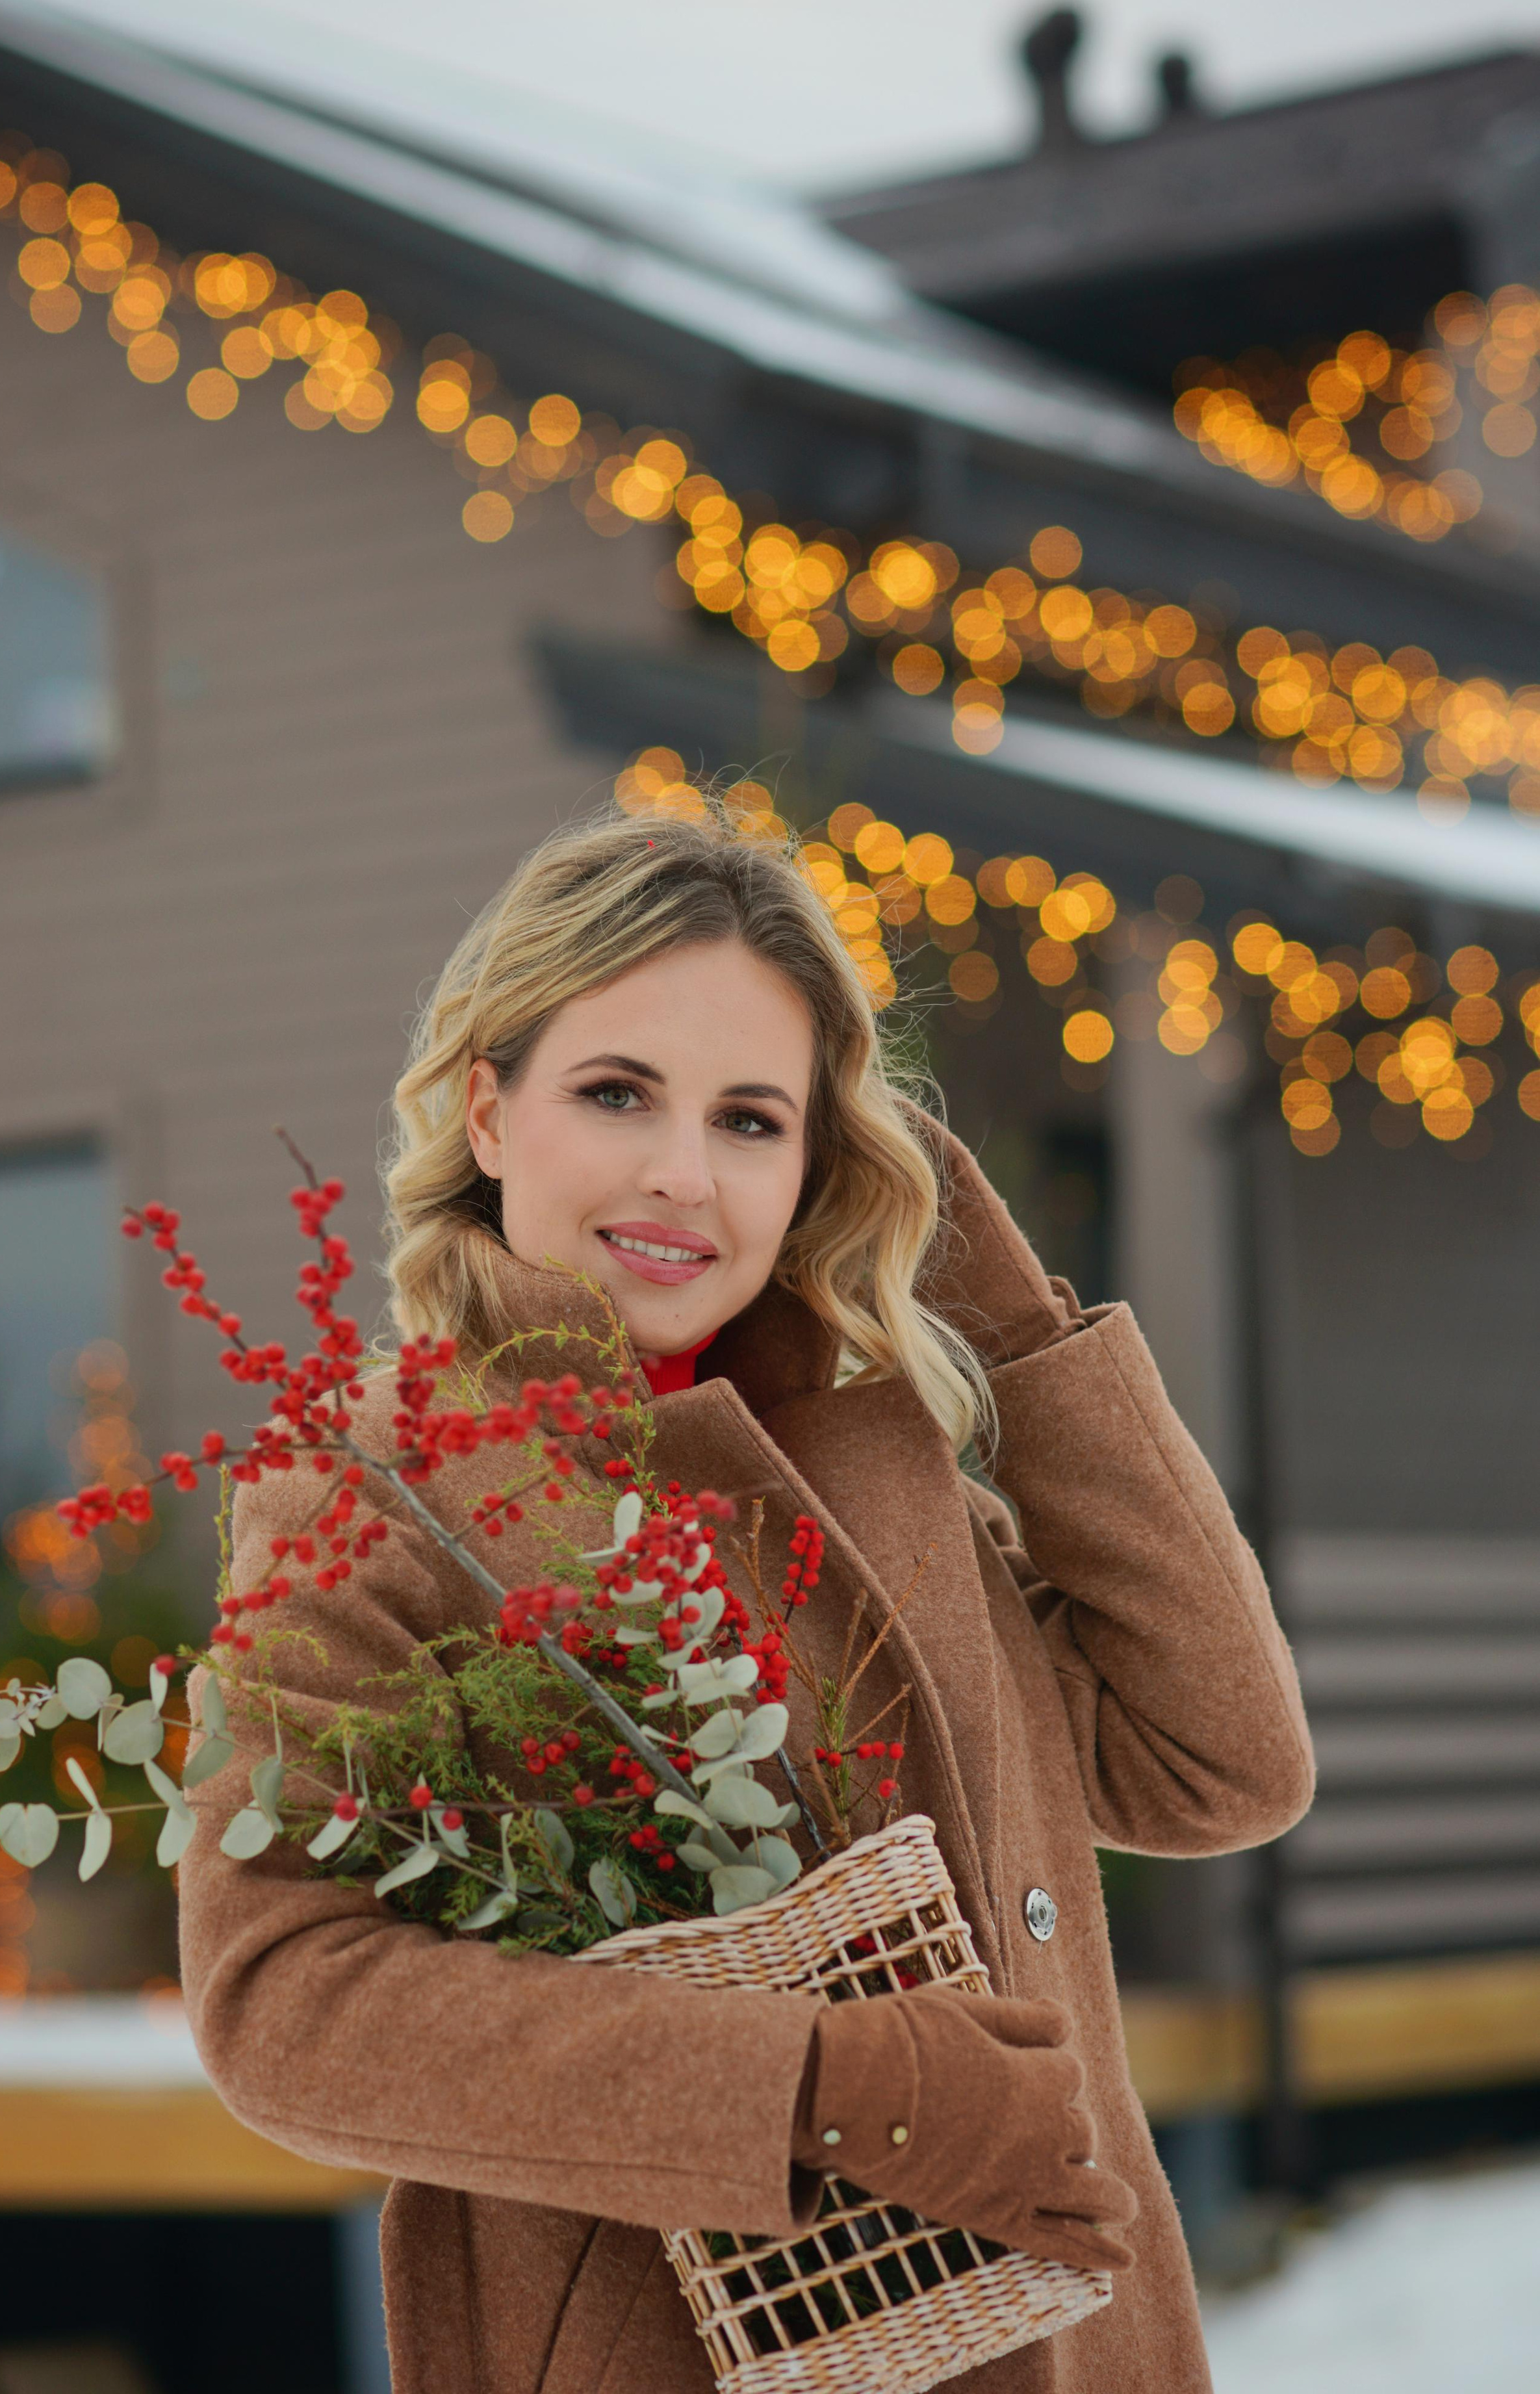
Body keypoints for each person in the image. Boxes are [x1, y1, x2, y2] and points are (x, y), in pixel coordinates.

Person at [179, 804, 1315, 2394]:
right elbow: (284, 1998)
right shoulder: (378, 1491)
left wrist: (1012, 1328)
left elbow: (1222, 1760)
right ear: (486, 1109)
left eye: (751, 1119)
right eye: (616, 1092)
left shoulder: (876, 1464)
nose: (680, 1174)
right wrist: (819, 2083)